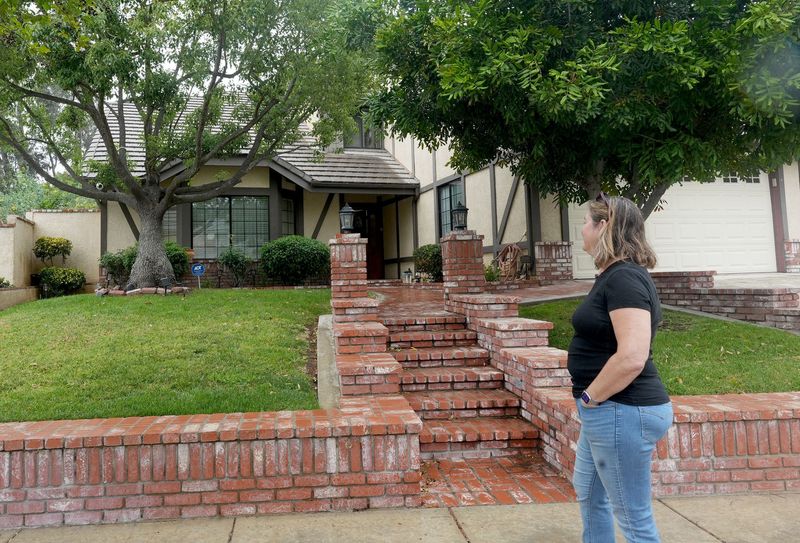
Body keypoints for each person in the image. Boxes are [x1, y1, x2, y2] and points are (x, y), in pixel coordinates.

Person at [569, 192, 673, 543]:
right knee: (589, 491)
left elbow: (631, 356)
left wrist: (589, 399)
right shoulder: (613, 276)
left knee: (633, 518)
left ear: (605, 227)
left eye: (587, 221)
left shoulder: (624, 279)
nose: (582, 228)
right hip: (608, 410)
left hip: (621, 409)